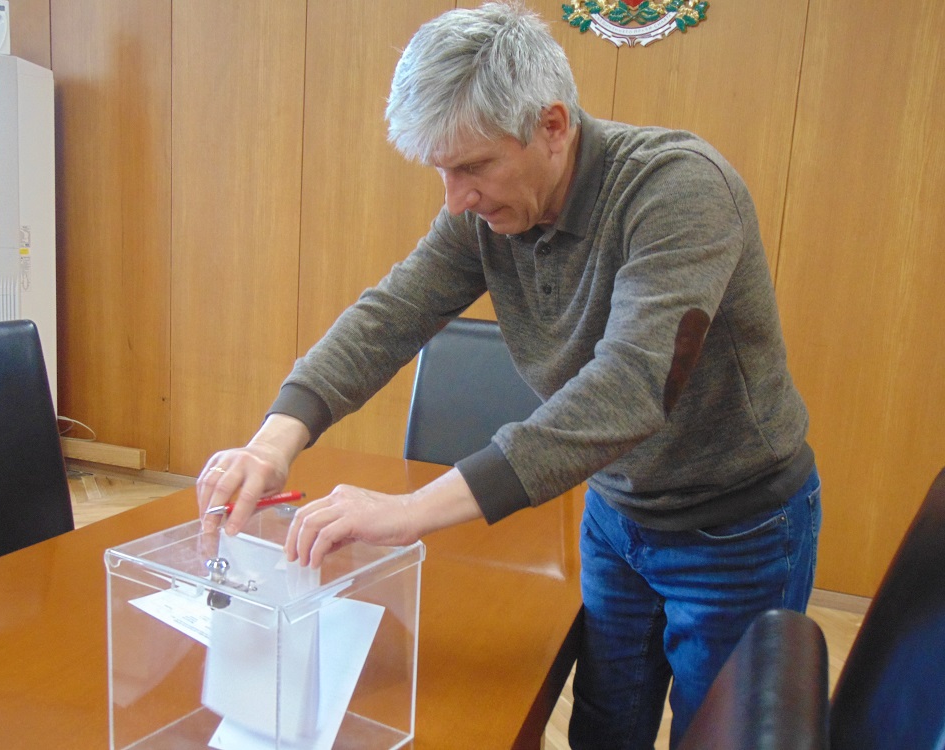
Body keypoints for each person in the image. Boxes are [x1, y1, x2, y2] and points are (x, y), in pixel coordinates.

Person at [196, 3, 821, 748]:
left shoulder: (680, 190)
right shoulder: (484, 216)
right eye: (441, 171)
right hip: (616, 513)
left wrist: (410, 511)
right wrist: (273, 443)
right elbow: (389, 316)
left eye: (473, 167)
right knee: (603, 726)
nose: (456, 198)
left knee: (715, 735)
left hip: (738, 527)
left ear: (552, 126)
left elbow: (631, 387)